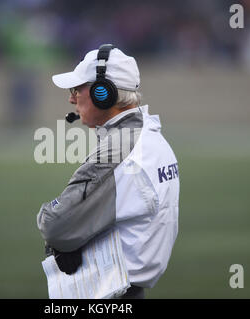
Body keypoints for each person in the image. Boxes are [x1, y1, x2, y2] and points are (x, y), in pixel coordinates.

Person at [37, 44, 180, 299]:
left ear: (104, 93)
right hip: (127, 289)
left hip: (110, 294)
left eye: (77, 89)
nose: (71, 99)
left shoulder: (120, 148)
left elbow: (54, 224)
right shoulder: (152, 137)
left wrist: (62, 238)